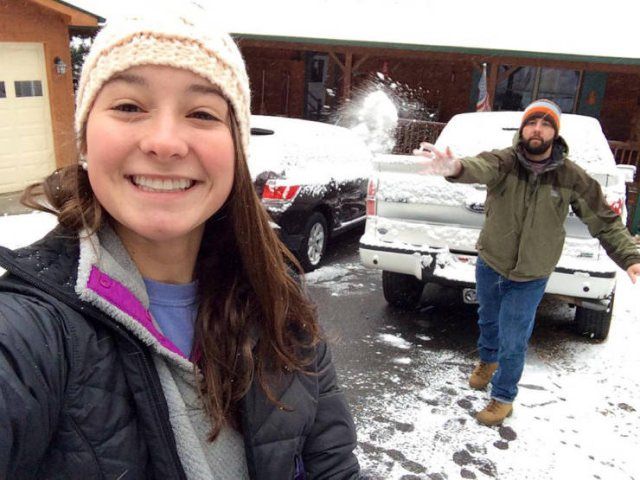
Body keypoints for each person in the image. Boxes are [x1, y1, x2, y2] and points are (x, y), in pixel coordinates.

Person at [0, 8, 361, 479]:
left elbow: (331, 466)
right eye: (129, 106)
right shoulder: (29, 332)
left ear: (235, 149)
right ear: (86, 138)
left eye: (202, 113)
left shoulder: (278, 302)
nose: (165, 142)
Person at [414, 99, 640, 426]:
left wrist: (630, 257)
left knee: (514, 337)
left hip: (531, 274)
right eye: (532, 123)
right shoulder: (504, 161)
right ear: (522, 129)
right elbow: (480, 166)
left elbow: (604, 220)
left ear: (555, 133)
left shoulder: (571, 177)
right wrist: (456, 168)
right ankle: (487, 362)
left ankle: (504, 397)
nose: (537, 129)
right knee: (489, 321)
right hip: (491, 261)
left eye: (545, 124)